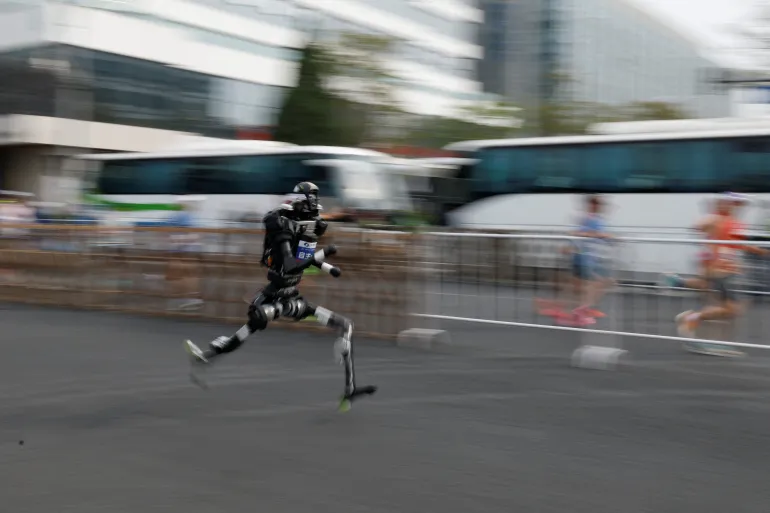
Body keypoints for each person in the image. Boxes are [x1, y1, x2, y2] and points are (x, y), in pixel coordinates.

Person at [184, 182, 377, 410]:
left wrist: (324, 263)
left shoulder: (303, 231)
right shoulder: (282, 229)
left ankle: (350, 389)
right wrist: (324, 254)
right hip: (277, 299)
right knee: (255, 323)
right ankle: (208, 355)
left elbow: (305, 263)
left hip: (293, 297)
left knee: (346, 326)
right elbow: (290, 265)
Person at [671, 192, 767, 355]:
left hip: (725, 271)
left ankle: (711, 336)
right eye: (739, 204)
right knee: (730, 309)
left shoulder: (731, 222)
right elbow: (700, 226)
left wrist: (759, 251)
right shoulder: (721, 220)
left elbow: (737, 244)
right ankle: (695, 322)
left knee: (728, 308)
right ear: (731, 204)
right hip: (724, 272)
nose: (742, 207)